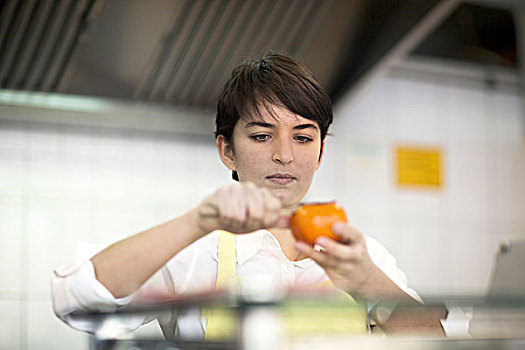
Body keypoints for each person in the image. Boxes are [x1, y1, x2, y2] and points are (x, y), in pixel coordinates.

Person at [52, 52, 445, 340]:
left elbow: (436, 342)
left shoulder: (361, 253)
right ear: (227, 150)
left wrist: (367, 280)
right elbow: (76, 300)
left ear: (321, 153)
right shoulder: (195, 251)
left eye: (304, 137)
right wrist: (196, 221)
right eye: (261, 135)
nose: (285, 154)